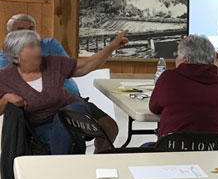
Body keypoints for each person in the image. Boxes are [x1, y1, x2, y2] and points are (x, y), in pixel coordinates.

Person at [0, 28, 129, 154]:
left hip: (74, 108)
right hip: (43, 123)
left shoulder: (52, 62)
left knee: (109, 127)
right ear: (18, 53)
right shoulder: (5, 77)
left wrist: (112, 46)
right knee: (65, 134)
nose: (39, 49)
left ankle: (96, 162)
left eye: (38, 45)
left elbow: (88, 64)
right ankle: (62, 166)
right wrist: (5, 100)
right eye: (32, 46)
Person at [148, 35, 218, 141]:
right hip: (217, 151)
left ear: (185, 60)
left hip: (173, 150)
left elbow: (154, 107)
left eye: (177, 56)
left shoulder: (168, 77)